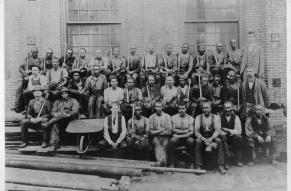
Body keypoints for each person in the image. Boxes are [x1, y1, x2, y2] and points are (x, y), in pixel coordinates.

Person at [194, 101, 226, 174]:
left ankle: (221, 165)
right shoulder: (198, 117)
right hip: (202, 137)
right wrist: (203, 139)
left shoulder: (215, 117)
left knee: (218, 141)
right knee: (197, 141)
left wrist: (211, 138)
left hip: (212, 136)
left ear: (211, 109)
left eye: (207, 108)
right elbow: (197, 132)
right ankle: (198, 165)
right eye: (204, 108)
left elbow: (217, 131)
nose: (205, 110)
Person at [12, 47, 43, 113]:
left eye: (35, 52)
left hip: (35, 77)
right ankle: (17, 105)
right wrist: (24, 72)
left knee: (30, 90)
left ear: (37, 52)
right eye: (32, 52)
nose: (34, 53)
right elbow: (20, 67)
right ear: (31, 52)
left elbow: (41, 69)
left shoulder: (40, 59)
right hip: (28, 77)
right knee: (19, 87)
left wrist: (33, 71)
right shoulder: (28, 59)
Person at [168, 101, 195, 168]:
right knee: (172, 141)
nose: (181, 110)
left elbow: (191, 132)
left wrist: (179, 135)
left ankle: (190, 162)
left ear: (186, 109)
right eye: (179, 108)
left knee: (191, 141)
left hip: (186, 137)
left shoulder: (191, 119)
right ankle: (171, 162)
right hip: (177, 137)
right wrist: (186, 131)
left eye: (183, 108)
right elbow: (173, 129)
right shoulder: (173, 117)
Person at [219, 101, 244, 167]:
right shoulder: (219, 116)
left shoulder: (236, 117)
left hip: (232, 137)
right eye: (225, 108)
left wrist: (228, 130)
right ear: (223, 109)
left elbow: (239, 131)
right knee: (222, 137)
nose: (227, 109)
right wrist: (222, 132)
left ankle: (238, 160)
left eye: (229, 107)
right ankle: (225, 161)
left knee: (239, 138)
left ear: (232, 108)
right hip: (222, 136)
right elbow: (217, 128)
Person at [149, 101, 172, 166]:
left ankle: (161, 162)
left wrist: (156, 132)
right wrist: (162, 130)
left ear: (162, 107)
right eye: (156, 106)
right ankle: (161, 161)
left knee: (165, 144)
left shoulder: (167, 116)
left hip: (165, 137)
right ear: (154, 107)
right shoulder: (151, 117)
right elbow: (151, 132)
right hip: (155, 137)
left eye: (159, 106)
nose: (158, 108)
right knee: (157, 143)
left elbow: (169, 131)